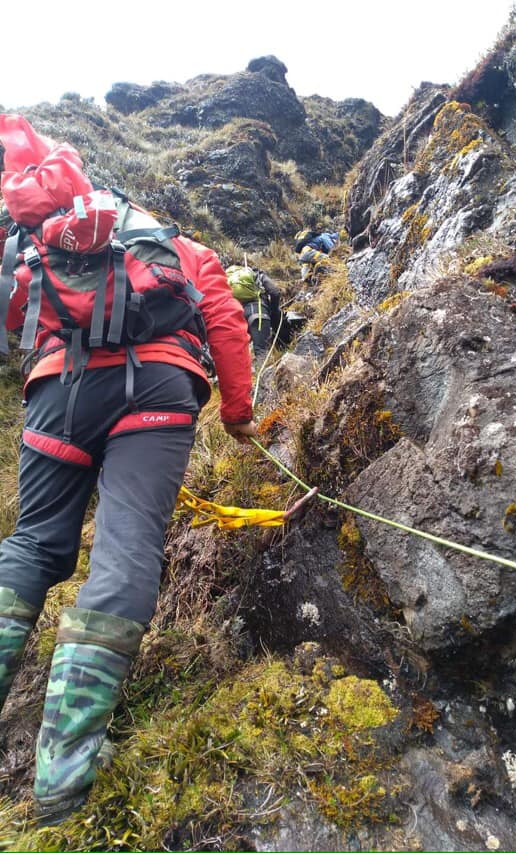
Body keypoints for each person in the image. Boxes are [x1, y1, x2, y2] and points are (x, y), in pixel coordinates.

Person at [0, 114, 257, 824]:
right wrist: (238, 412)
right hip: (158, 393)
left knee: (32, 544)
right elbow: (225, 321)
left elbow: (14, 317)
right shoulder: (177, 245)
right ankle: (61, 778)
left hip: (58, 393)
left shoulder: (33, 243)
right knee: (126, 549)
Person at [226, 264, 284, 363]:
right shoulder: (256, 274)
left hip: (235, 317)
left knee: (237, 356)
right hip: (258, 314)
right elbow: (275, 292)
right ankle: (263, 372)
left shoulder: (227, 279)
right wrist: (273, 311)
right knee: (261, 353)